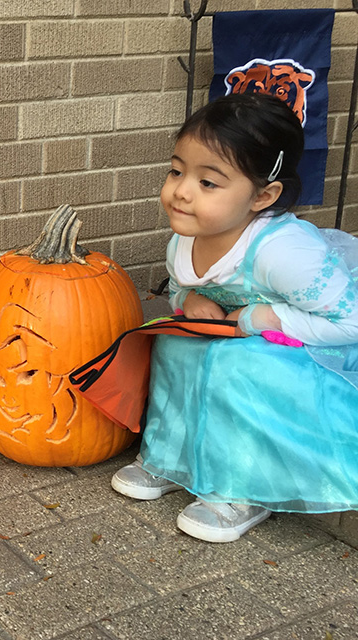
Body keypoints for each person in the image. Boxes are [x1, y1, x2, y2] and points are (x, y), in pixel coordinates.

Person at [110, 92, 358, 543]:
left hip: (316, 350)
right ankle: (169, 459)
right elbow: (189, 285)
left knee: (237, 365)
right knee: (177, 344)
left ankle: (242, 487)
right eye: (177, 170)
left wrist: (262, 317)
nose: (181, 191)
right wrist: (187, 301)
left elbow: (350, 323)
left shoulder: (285, 253)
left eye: (209, 183)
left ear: (263, 196)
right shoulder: (185, 237)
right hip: (241, 330)